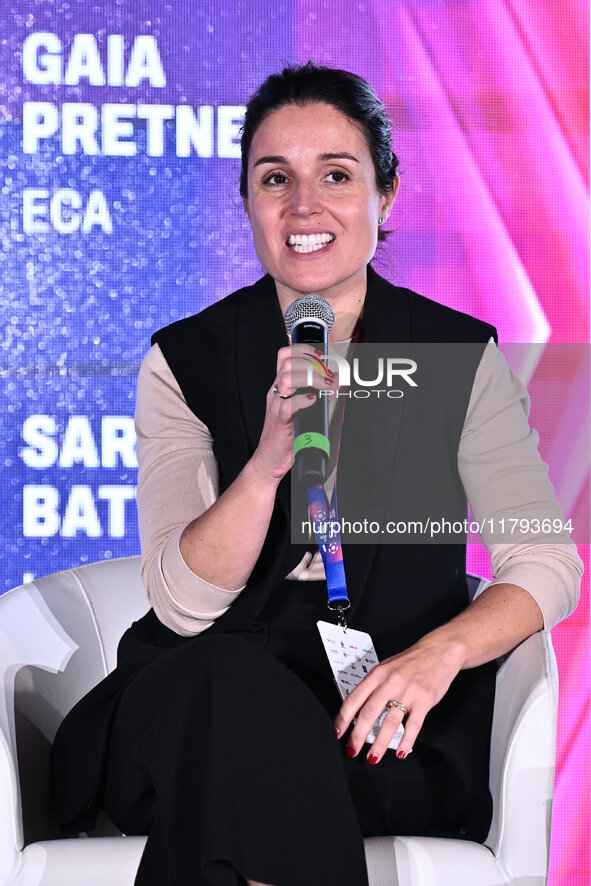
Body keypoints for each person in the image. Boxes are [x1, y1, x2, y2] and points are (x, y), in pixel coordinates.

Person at [52, 62, 582, 886]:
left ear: (386, 196)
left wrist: (436, 655)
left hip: (376, 722)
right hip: (193, 708)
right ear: (248, 204)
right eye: (275, 179)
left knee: (245, 786)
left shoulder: (452, 356)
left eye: (336, 175)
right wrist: (267, 464)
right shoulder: (186, 359)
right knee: (226, 688)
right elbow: (184, 608)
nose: (304, 206)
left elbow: (546, 565)